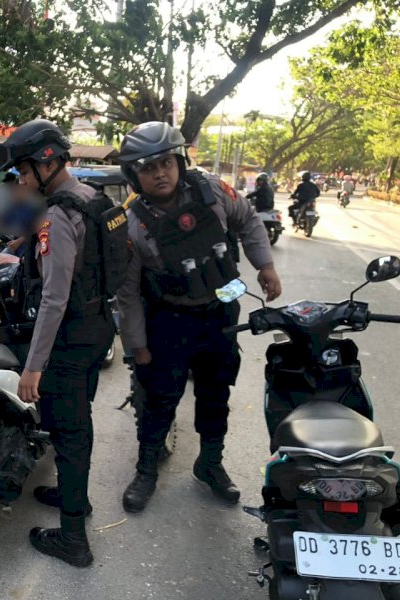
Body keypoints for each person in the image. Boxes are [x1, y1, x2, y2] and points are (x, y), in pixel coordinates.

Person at [115, 122, 282, 513]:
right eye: (148, 167)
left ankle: (209, 463)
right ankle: (146, 470)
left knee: (215, 392)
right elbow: (128, 292)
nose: (160, 173)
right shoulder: (132, 222)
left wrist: (266, 265)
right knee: (159, 399)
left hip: (220, 310)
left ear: (179, 161)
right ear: (134, 175)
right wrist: (137, 346)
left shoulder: (212, 190)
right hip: (169, 319)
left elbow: (248, 220)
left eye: (166, 163)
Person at [0, 119, 120, 567]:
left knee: (68, 432)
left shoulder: (57, 216)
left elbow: (53, 297)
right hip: (98, 326)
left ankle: (73, 539)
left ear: (46, 162)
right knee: (78, 421)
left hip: (69, 338)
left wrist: (34, 367)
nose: (21, 179)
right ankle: (74, 496)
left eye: (23, 170)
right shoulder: (92, 199)